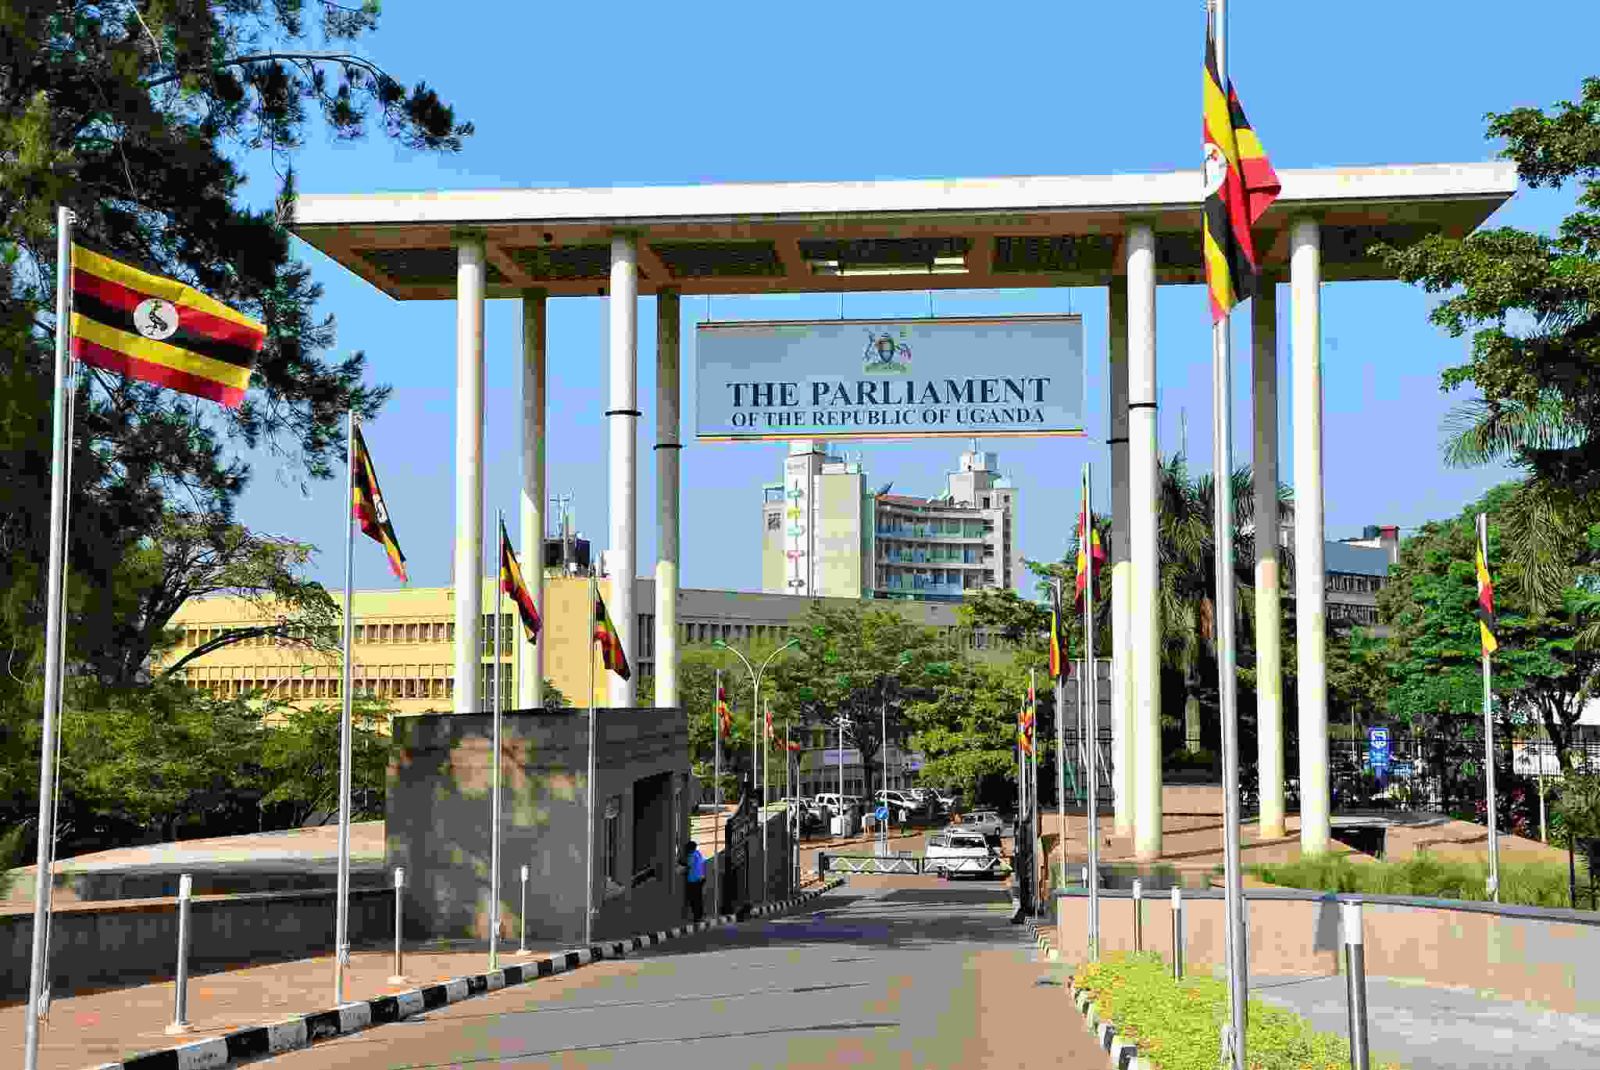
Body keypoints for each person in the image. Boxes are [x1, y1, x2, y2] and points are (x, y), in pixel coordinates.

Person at [682, 840, 706, 922]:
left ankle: (696, 917)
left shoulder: (691, 855)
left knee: (693, 899)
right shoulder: (698, 854)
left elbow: (688, 866)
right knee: (698, 898)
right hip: (701, 879)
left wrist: (681, 868)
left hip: (693, 880)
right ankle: (700, 915)